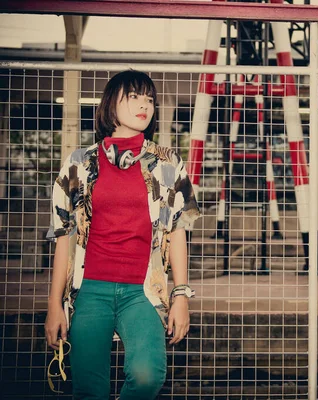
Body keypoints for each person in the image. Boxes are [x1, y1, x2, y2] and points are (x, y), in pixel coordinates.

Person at [45, 70, 201, 399]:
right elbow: (65, 237)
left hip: (142, 292)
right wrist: (54, 305)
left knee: (147, 377)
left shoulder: (168, 163)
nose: (144, 104)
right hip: (89, 292)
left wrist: (181, 295)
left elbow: (179, 230)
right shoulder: (79, 164)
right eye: (134, 96)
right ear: (111, 103)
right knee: (89, 389)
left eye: (150, 99)